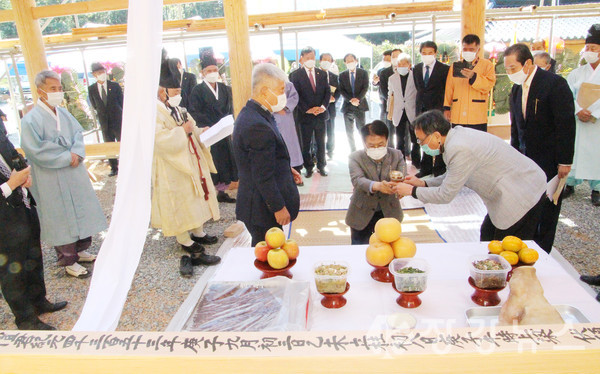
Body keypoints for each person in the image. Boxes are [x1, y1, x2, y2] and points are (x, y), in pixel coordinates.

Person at [393, 110, 547, 241]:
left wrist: (410, 191)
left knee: (506, 250)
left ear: (436, 136)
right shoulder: (455, 137)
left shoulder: (459, 148)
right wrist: (423, 184)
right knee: (487, 235)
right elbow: (454, 175)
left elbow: (445, 195)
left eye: (421, 140)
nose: (420, 145)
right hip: (511, 189)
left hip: (523, 192)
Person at [21, 70, 107, 278]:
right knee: (59, 215)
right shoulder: (30, 120)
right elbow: (35, 149)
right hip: (51, 175)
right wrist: (66, 157)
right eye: (53, 89)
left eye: (59, 88)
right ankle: (68, 259)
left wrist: (76, 152)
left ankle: (81, 248)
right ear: (40, 91)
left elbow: (78, 134)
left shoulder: (64, 113)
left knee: (80, 207)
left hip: (72, 170)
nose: (58, 92)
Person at [152, 57, 221, 274]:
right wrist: (183, 131)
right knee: (180, 199)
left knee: (195, 195)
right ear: (161, 91)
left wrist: (204, 132)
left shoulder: (177, 107)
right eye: (173, 92)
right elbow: (159, 139)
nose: (177, 95)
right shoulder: (153, 111)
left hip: (189, 158)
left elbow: (192, 127)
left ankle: (198, 231)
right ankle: (184, 239)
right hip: (171, 164)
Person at [505, 43, 575, 253]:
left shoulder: (554, 84)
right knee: (528, 204)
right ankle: (526, 246)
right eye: (507, 69)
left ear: (527, 63)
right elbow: (516, 127)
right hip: (526, 159)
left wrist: (565, 160)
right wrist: (514, 157)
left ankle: (543, 251)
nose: (509, 73)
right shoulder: (517, 89)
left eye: (512, 68)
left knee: (547, 207)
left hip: (550, 158)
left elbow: (565, 124)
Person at [0, 131, 67, 330]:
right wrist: (11, 184)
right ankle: (25, 318)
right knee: (12, 268)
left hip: (21, 204)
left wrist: (23, 177)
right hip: (3, 218)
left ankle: (38, 300)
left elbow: (13, 158)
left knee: (32, 255)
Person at [232, 64, 301, 246]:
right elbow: (262, 175)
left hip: (259, 203)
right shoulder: (257, 125)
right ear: (264, 91)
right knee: (268, 254)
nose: (283, 96)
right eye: (279, 90)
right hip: (262, 209)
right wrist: (278, 207)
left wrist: (286, 169)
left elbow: (263, 160)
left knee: (269, 251)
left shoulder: (257, 113)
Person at [188, 53, 238, 203]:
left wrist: (229, 123)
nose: (212, 73)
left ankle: (222, 191)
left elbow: (230, 108)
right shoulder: (197, 90)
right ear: (202, 73)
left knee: (225, 160)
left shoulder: (224, 88)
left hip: (224, 130)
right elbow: (195, 111)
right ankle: (211, 191)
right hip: (209, 130)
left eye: (214, 70)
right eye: (208, 71)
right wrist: (208, 125)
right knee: (214, 160)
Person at [346, 120, 406, 245]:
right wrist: (377, 186)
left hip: (389, 211)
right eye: (371, 145)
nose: (376, 148)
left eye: (381, 144)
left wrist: (399, 186)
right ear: (363, 143)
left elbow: (402, 175)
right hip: (361, 213)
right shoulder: (355, 157)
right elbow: (358, 180)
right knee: (359, 248)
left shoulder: (397, 155)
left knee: (388, 250)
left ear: (387, 140)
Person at [564, 24, 600, 207]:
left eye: (593, 48)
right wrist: (578, 110)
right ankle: (569, 184)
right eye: (587, 48)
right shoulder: (577, 73)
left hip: (597, 123)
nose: (589, 51)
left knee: (597, 154)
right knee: (574, 152)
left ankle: (598, 188)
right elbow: (567, 95)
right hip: (578, 120)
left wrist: (594, 113)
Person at [289, 47, 331, 178]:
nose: (310, 60)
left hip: (320, 114)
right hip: (305, 115)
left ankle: (321, 166)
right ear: (302, 59)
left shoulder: (322, 74)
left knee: (320, 142)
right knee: (305, 144)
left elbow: (327, 92)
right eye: (307, 58)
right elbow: (295, 95)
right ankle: (308, 167)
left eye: (312, 58)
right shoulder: (295, 75)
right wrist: (308, 109)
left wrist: (323, 107)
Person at [443, 34, 496, 132]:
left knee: (477, 145)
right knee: (459, 144)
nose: (467, 52)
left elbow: (489, 85)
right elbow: (449, 88)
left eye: (471, 49)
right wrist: (446, 107)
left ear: (478, 50)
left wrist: (474, 77)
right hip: (458, 114)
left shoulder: (487, 65)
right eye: (465, 49)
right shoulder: (455, 66)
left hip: (477, 115)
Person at [413, 41, 449, 177]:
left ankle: (440, 168)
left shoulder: (444, 69)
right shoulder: (416, 68)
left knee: (439, 138)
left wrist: (446, 108)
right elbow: (419, 88)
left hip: (438, 109)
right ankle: (425, 168)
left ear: (435, 53)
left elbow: (447, 90)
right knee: (424, 137)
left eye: (430, 53)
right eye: (424, 53)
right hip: (422, 109)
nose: (427, 55)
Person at [88, 62, 123, 177]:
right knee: (108, 145)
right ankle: (114, 168)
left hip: (118, 121)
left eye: (103, 72)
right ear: (94, 75)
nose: (102, 74)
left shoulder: (115, 86)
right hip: (104, 122)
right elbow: (94, 105)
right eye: (99, 73)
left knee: (122, 144)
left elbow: (122, 102)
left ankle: (126, 165)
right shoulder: (92, 89)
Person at [273, 80, 304, 180]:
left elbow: (294, 97)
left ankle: (295, 169)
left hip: (285, 116)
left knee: (290, 142)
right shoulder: (263, 84)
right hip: (271, 115)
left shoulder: (287, 84)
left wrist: (285, 107)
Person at [387, 53, 417, 157]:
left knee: (415, 138)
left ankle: (416, 161)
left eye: (404, 64)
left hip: (412, 110)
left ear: (409, 65)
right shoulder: (392, 78)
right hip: (398, 111)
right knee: (399, 138)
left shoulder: (415, 76)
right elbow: (390, 95)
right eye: (399, 64)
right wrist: (389, 110)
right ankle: (400, 160)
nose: (401, 66)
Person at [339, 53, 369, 152]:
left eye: (352, 61)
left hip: (360, 105)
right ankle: (353, 150)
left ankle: (365, 149)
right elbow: (341, 90)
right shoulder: (342, 75)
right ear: (345, 63)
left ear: (356, 61)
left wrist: (358, 99)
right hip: (347, 106)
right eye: (348, 61)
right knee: (349, 131)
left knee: (362, 130)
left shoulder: (363, 73)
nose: (350, 63)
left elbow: (365, 87)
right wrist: (351, 100)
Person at [376, 48, 402, 145]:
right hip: (389, 105)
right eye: (393, 56)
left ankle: (406, 152)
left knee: (404, 131)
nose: (395, 58)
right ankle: (391, 150)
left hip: (404, 106)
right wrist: (392, 101)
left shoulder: (407, 70)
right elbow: (383, 90)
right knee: (389, 129)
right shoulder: (384, 72)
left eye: (397, 56)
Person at [320, 53, 341, 160]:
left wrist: (334, 98)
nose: (326, 62)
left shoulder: (334, 77)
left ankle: (330, 151)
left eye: (329, 60)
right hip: (318, 109)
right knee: (318, 133)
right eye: (324, 59)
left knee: (330, 131)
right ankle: (317, 152)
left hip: (331, 108)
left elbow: (338, 91)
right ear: (320, 61)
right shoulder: (315, 74)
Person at [372, 50, 392, 121]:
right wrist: (375, 81)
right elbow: (376, 83)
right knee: (383, 116)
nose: (386, 61)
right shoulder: (380, 70)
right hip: (382, 97)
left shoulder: (395, 70)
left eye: (388, 59)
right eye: (384, 59)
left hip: (393, 97)